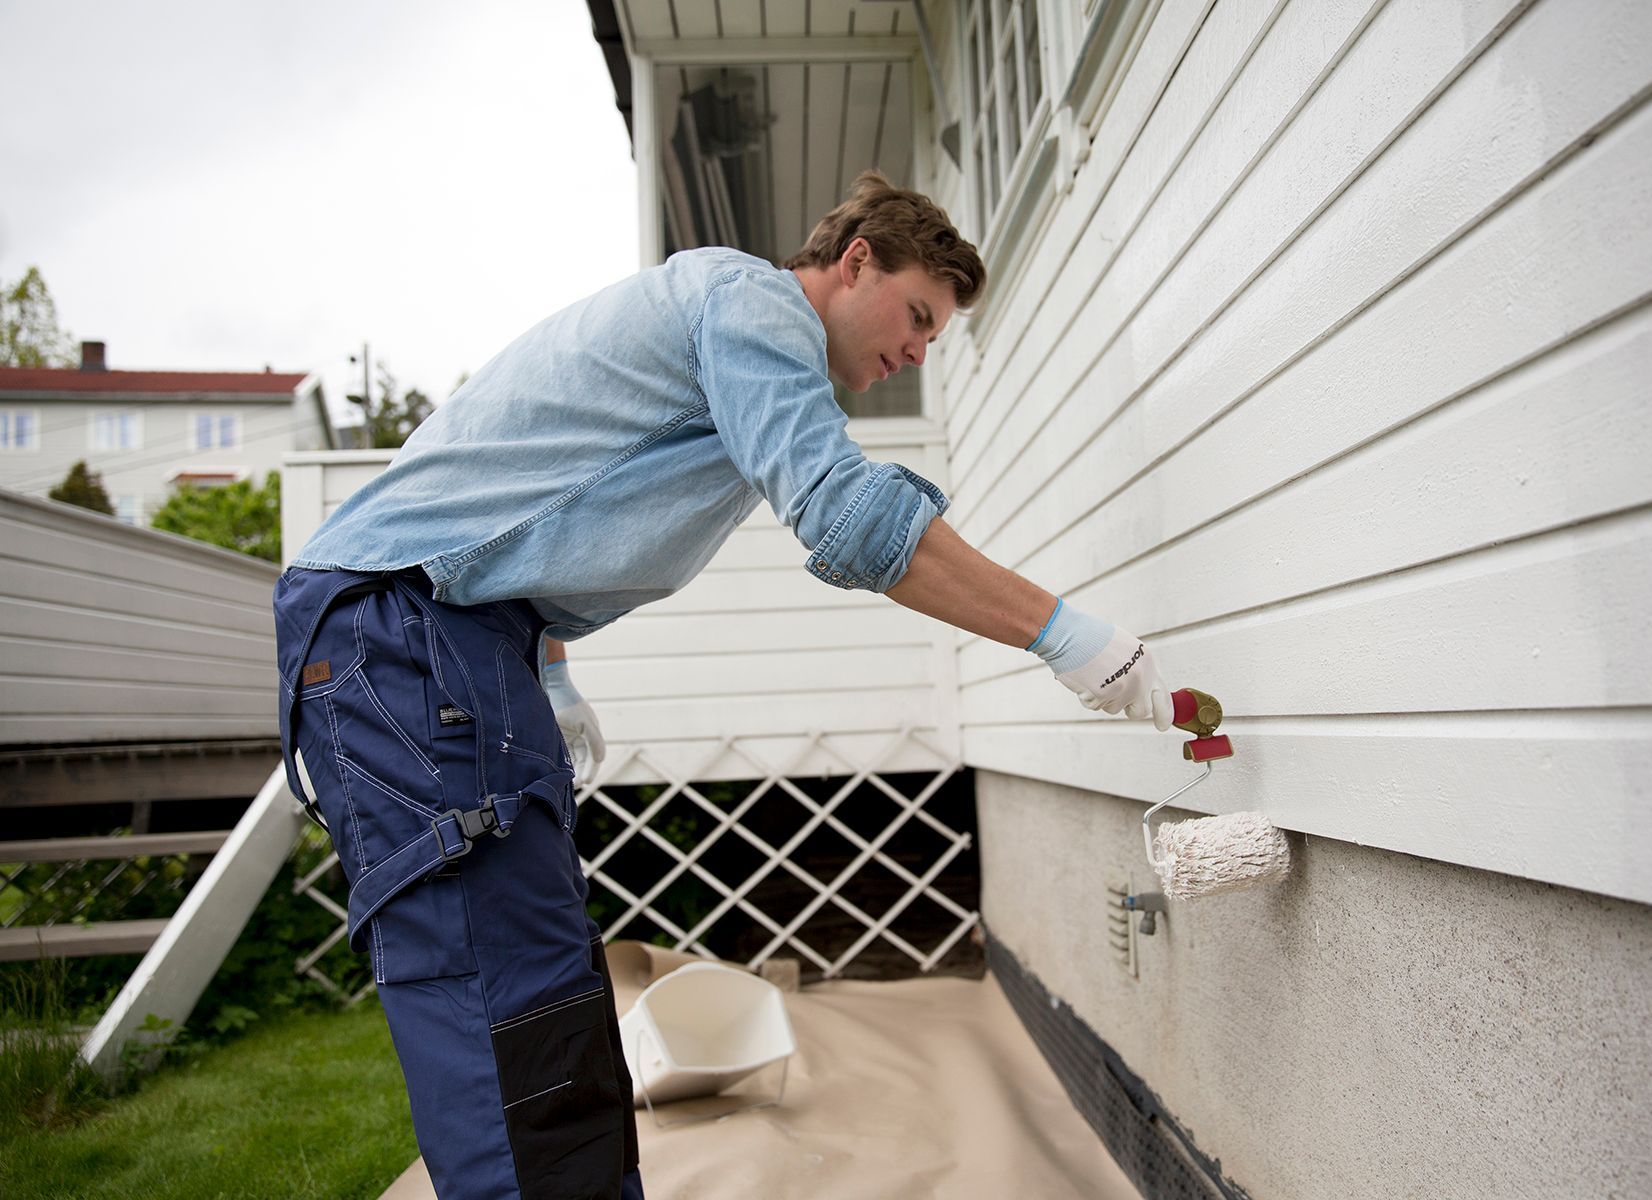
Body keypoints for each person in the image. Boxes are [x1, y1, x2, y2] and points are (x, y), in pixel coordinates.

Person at [272, 171, 1171, 1200]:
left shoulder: (728, 336)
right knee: (499, 993)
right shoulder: (752, 304)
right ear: (855, 262)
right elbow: (848, 516)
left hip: (454, 633)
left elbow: (530, 503)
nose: (920, 351)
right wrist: (1061, 634)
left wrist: (548, 667)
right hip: (401, 627)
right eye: (919, 316)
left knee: (545, 977)